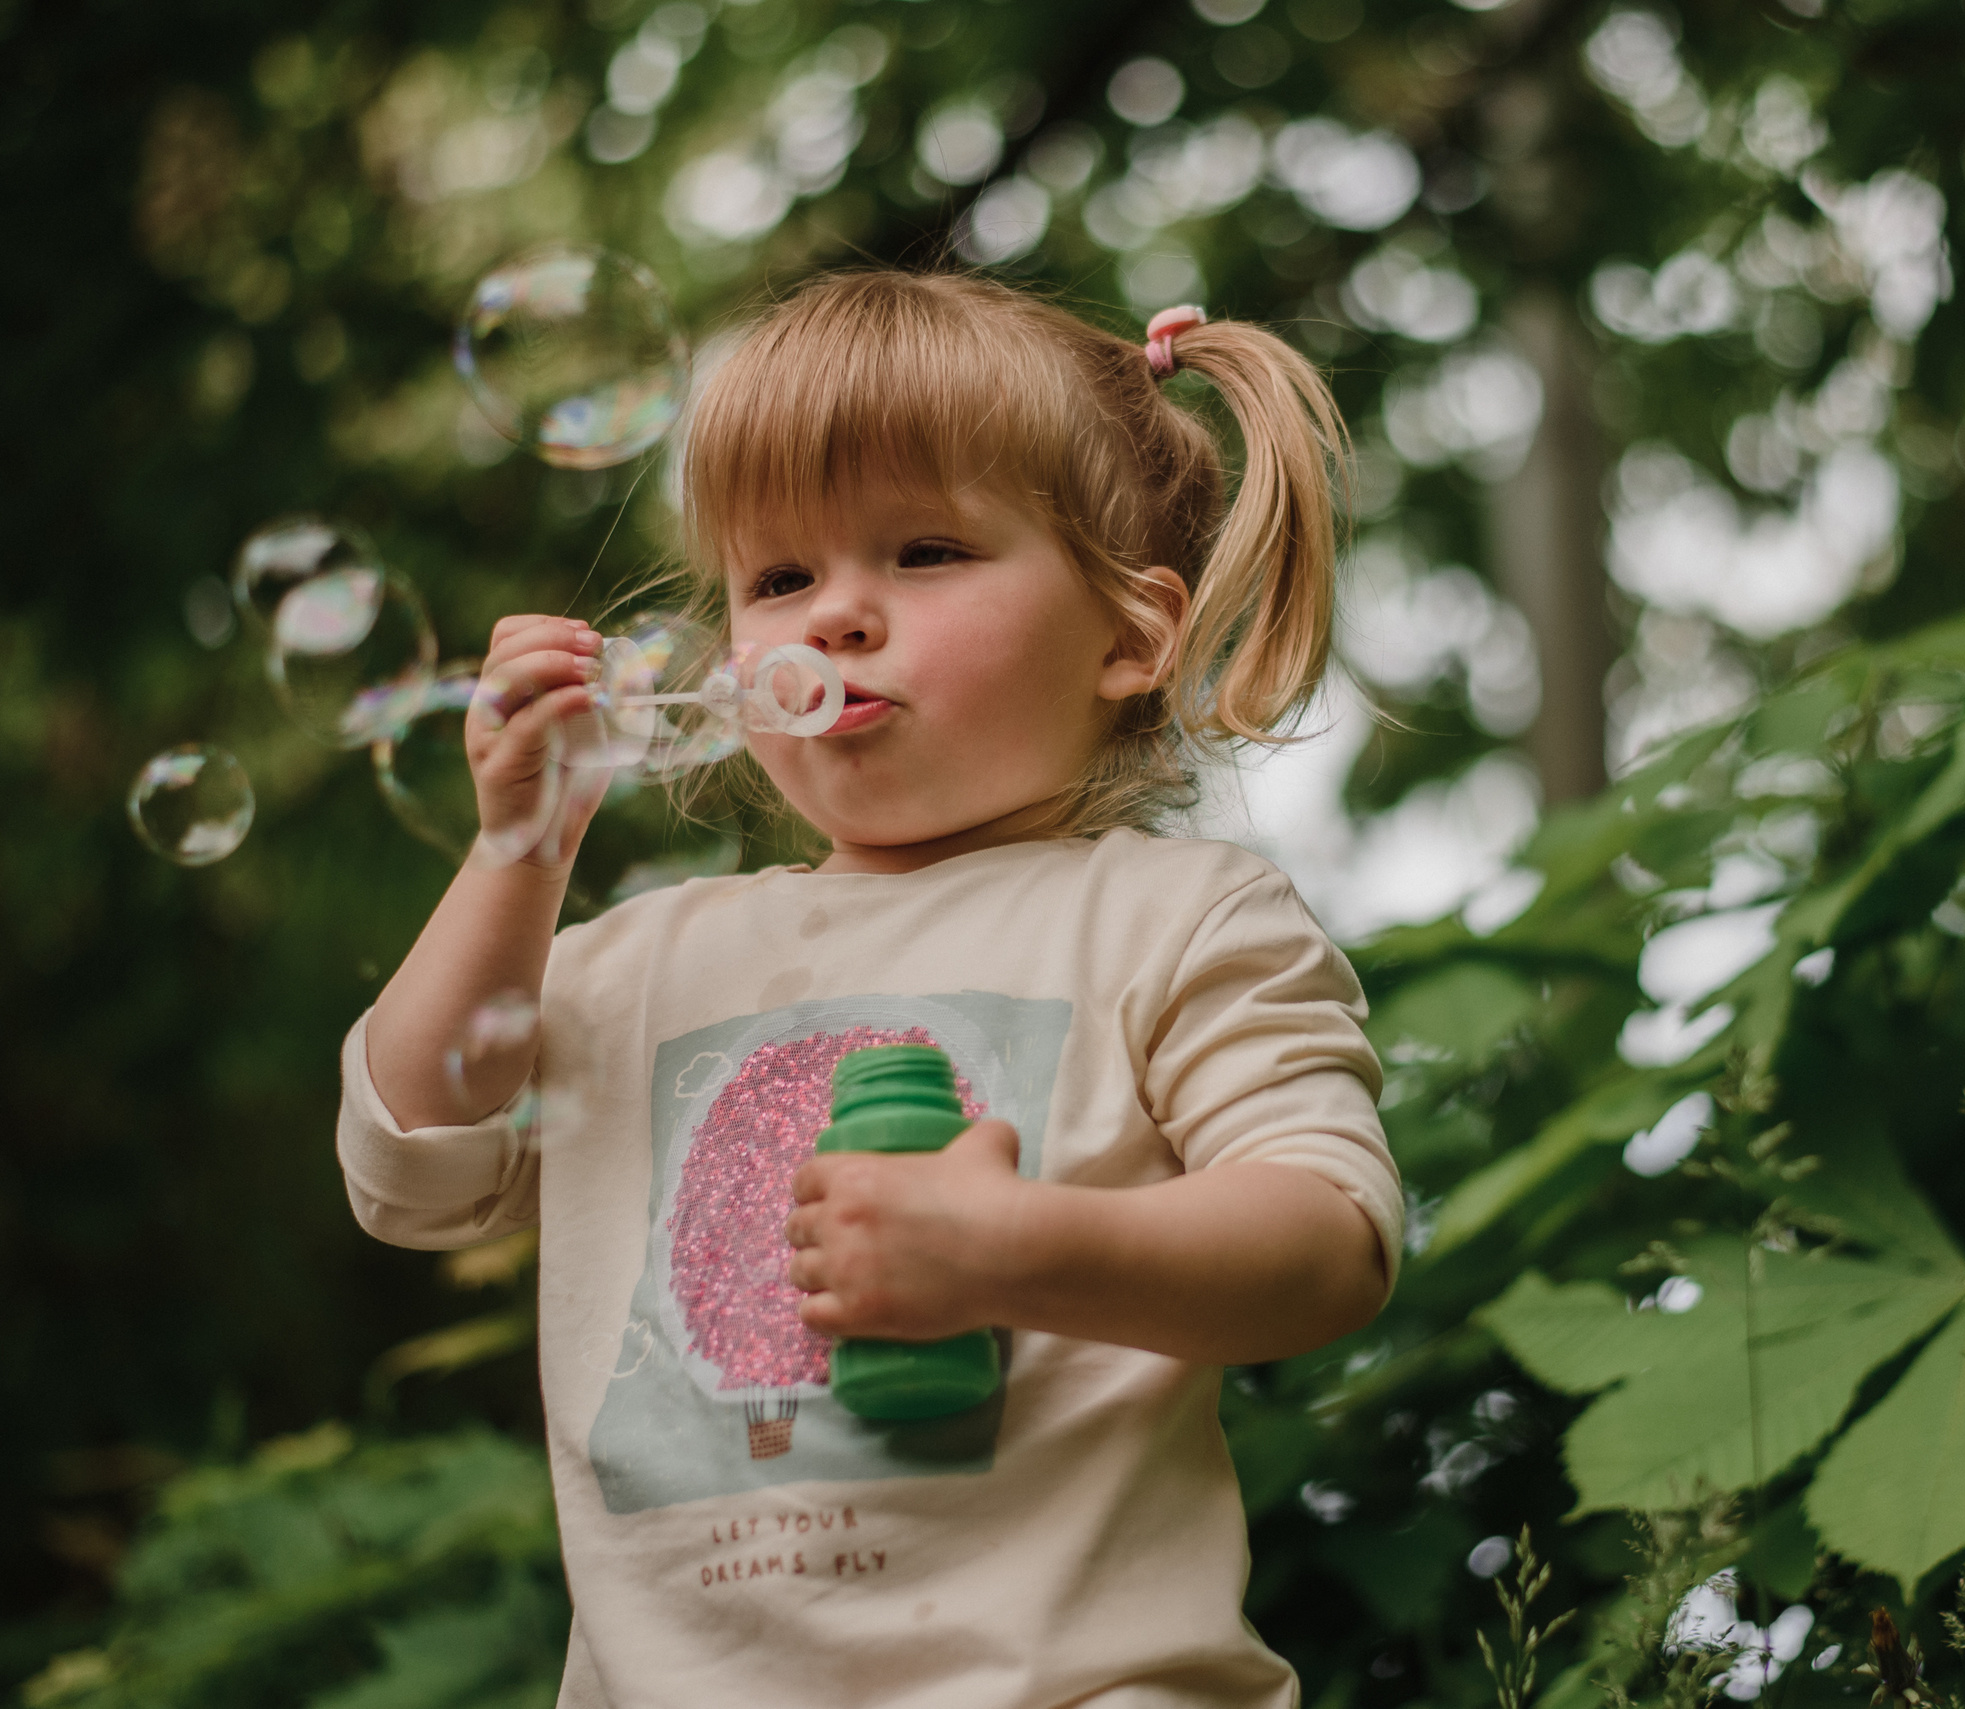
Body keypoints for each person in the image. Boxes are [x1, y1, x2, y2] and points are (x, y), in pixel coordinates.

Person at [339, 271, 1401, 1709]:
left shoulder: (1169, 915)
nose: (835, 614)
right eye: (779, 578)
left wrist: (1019, 1248)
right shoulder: (642, 958)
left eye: (923, 550)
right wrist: (520, 849)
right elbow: (410, 1166)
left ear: (1129, 636)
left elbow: (1328, 1241)